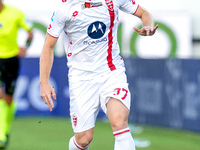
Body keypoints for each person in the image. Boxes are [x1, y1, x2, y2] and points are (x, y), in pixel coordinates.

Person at [40, 0, 158, 149]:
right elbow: (48, 46)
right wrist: (44, 82)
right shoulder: (64, 8)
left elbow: (144, 13)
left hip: (111, 72)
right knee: (83, 139)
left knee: (119, 122)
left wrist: (148, 25)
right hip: (81, 78)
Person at [0, 0, 33, 149]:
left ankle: (6, 130)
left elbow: (30, 32)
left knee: (8, 98)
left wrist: (25, 47)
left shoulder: (15, 13)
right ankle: (1, 135)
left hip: (11, 60)